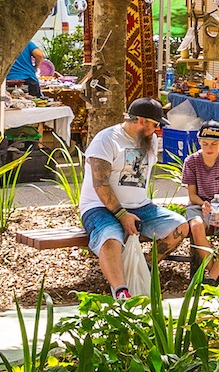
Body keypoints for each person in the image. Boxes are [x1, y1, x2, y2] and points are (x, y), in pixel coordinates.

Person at [79, 97, 186, 296]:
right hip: (99, 206)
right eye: (154, 124)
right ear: (141, 121)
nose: (156, 130)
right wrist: (121, 214)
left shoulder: (150, 140)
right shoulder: (106, 139)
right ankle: (122, 291)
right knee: (110, 238)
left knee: (180, 226)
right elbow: (99, 184)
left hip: (140, 206)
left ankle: (143, 266)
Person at [179, 121, 219, 284]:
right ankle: (213, 271)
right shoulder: (191, 161)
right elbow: (192, 195)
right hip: (199, 205)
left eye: (214, 144)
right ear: (199, 141)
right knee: (195, 226)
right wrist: (203, 204)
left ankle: (212, 275)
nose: (209, 148)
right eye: (205, 143)